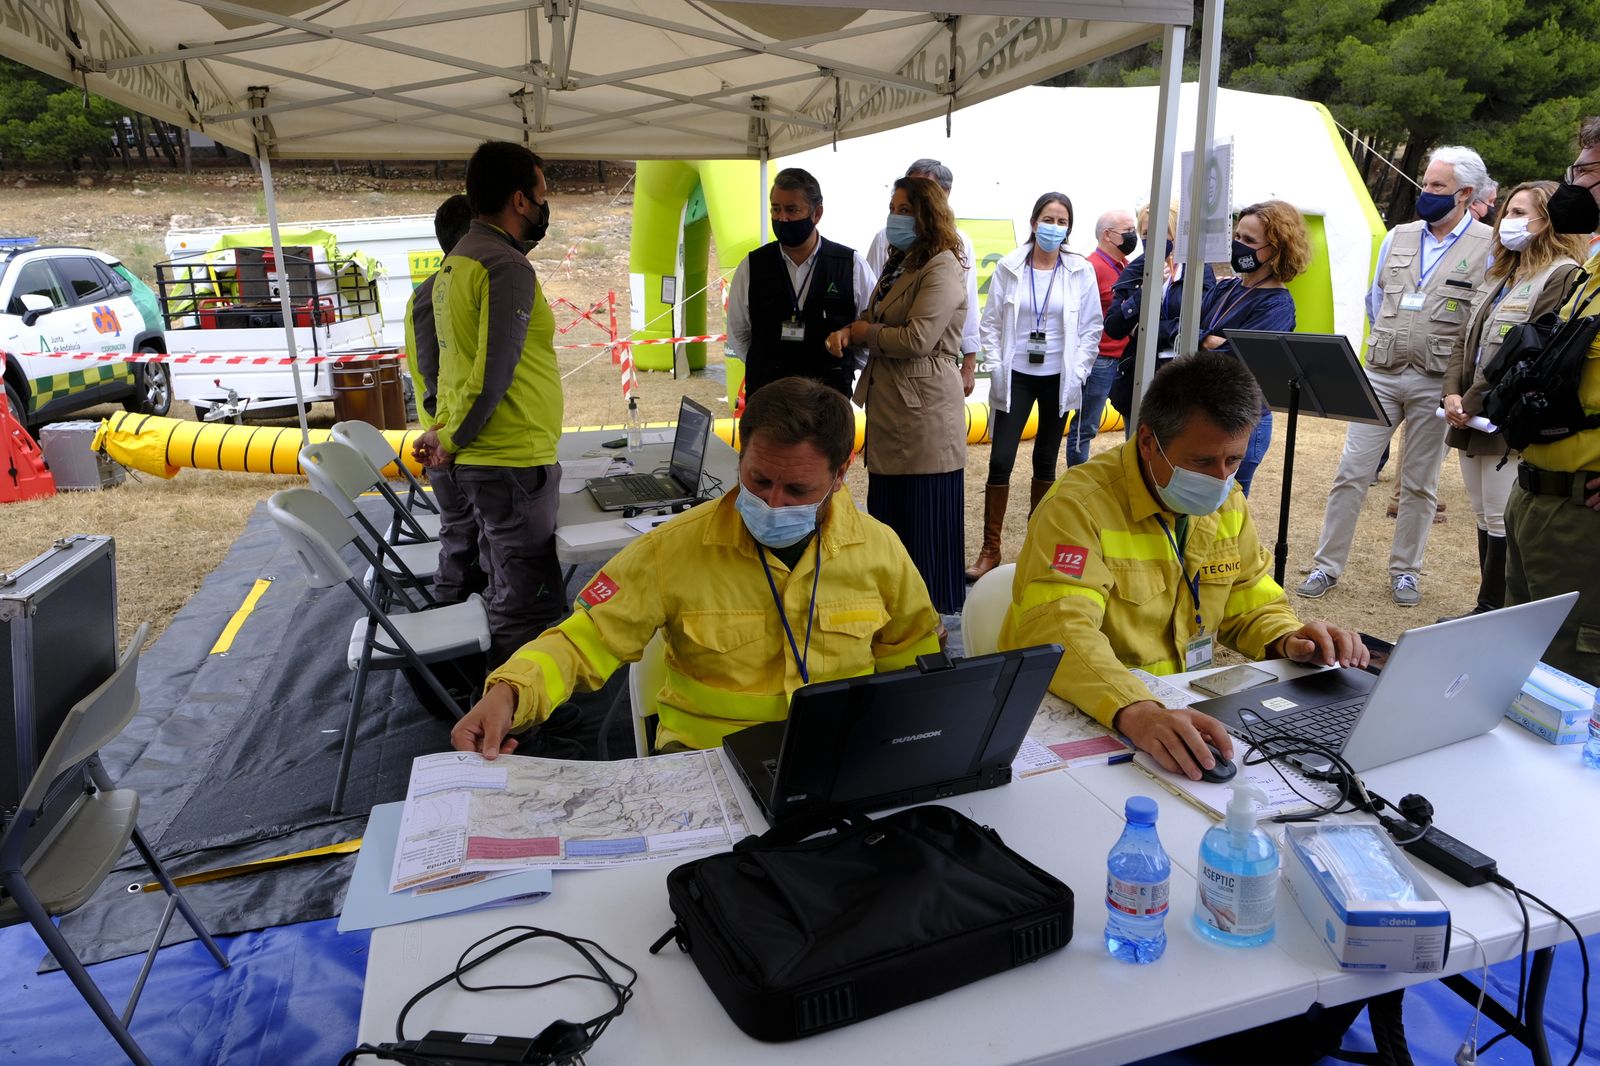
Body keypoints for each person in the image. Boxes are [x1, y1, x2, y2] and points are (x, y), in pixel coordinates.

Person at [449, 376, 944, 757]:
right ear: (741, 455)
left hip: (841, 755)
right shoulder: (672, 551)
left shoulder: (881, 551)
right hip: (707, 761)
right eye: (758, 479)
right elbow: (585, 639)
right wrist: (511, 693)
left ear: (841, 475)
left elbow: (915, 656)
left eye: (797, 490)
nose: (772, 502)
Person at [998, 351, 1368, 779]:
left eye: (1233, 461)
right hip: (1086, 713)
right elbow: (1060, 631)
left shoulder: (1227, 500)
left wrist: (1288, 637)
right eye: (1202, 462)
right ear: (1148, 441)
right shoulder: (1077, 507)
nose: (1220, 478)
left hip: (1175, 714)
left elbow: (1247, 595)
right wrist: (1137, 711)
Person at [1297, 145, 1494, 607]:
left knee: (1419, 482)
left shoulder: (1488, 245)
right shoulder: (1398, 236)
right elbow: (1375, 298)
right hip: (1381, 373)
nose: (1425, 193)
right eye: (1425, 183)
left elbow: (1483, 319)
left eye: (1436, 187)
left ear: (1464, 194)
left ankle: (1406, 571)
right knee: (1352, 472)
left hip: (1436, 381)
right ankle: (1327, 566)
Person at [412, 141, 563, 666]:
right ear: (520, 201)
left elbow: (451, 370)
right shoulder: (506, 265)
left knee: (505, 588)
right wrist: (450, 438)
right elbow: (491, 373)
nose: (546, 206)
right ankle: (521, 724)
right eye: (542, 194)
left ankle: (499, 707)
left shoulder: (457, 261)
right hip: (511, 456)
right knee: (525, 605)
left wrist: (445, 433)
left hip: (490, 457)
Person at [1440, 180, 1586, 621]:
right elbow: (1463, 340)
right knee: (1485, 516)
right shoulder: (1502, 274)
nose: (1509, 222)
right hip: (1469, 414)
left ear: (1549, 222)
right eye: (1508, 212)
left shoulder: (1562, 274)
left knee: (1503, 517)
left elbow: (1529, 353)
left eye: (1521, 213)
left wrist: (1472, 400)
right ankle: (1486, 606)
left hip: (1505, 417)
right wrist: (1452, 392)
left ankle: (1494, 611)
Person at [828, 177, 970, 614]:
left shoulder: (942, 266)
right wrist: (849, 330)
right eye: (893, 206)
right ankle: (893, 615)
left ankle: (931, 622)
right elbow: (876, 314)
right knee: (890, 521)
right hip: (892, 407)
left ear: (927, 213)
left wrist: (864, 332)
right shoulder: (900, 263)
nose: (895, 216)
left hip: (924, 411)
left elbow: (918, 339)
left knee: (923, 527)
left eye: (905, 209)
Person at [1504, 119, 1600, 684]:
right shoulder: (1591, 265)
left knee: (1573, 679)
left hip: (1583, 521)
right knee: (1521, 669)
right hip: (1536, 500)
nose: (1574, 185)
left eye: (1586, 171)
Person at [966, 192, 1103, 581]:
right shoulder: (1011, 266)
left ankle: (1035, 546)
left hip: (1060, 375)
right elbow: (990, 321)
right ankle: (990, 548)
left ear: (1068, 229)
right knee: (1001, 460)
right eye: (1048, 219)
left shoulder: (1079, 270)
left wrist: (1079, 371)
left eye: (1061, 222)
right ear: (1033, 222)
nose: (1053, 227)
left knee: (1046, 460)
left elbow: (1092, 325)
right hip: (1017, 375)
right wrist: (994, 364)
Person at [1183, 200, 1311, 495]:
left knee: (1223, 511)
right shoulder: (1225, 288)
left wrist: (1202, 341)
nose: (1238, 245)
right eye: (1237, 237)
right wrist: (1205, 338)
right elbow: (1180, 328)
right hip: (1202, 411)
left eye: (1249, 241)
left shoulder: (1277, 304)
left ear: (1277, 250)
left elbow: (1239, 361)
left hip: (1242, 422)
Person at [725, 168, 875, 398]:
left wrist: (843, 367)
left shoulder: (850, 264)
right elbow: (739, 332)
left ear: (817, 214)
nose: (781, 218)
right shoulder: (753, 265)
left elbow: (866, 329)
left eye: (791, 210)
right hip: (768, 395)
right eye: (776, 209)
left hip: (828, 397)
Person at [403, 193, 484, 605]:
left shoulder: (448, 287)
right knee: (461, 542)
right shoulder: (433, 294)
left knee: (467, 540)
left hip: (451, 436)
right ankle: (450, 624)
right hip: (448, 440)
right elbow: (436, 377)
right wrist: (448, 439)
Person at [864, 159, 979, 396]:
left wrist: (969, 364)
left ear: (942, 197)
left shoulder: (954, 250)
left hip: (925, 378)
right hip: (886, 374)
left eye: (923, 191)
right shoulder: (887, 241)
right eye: (894, 208)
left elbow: (967, 310)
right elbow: (872, 301)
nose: (898, 215)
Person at [1104, 203, 1216, 427]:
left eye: (1161, 231)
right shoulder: (1134, 270)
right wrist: (1146, 291)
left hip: (1184, 376)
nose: (1153, 238)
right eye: (1146, 233)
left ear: (1177, 233)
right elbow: (1114, 326)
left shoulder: (1198, 270)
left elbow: (1201, 322)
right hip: (1140, 378)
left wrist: (1147, 329)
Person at [1065, 207, 1137, 467]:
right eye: (1129, 231)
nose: (1134, 236)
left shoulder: (1127, 266)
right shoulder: (1090, 267)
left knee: (1133, 420)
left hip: (1126, 358)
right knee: (1086, 426)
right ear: (1108, 235)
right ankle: (1076, 476)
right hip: (1100, 359)